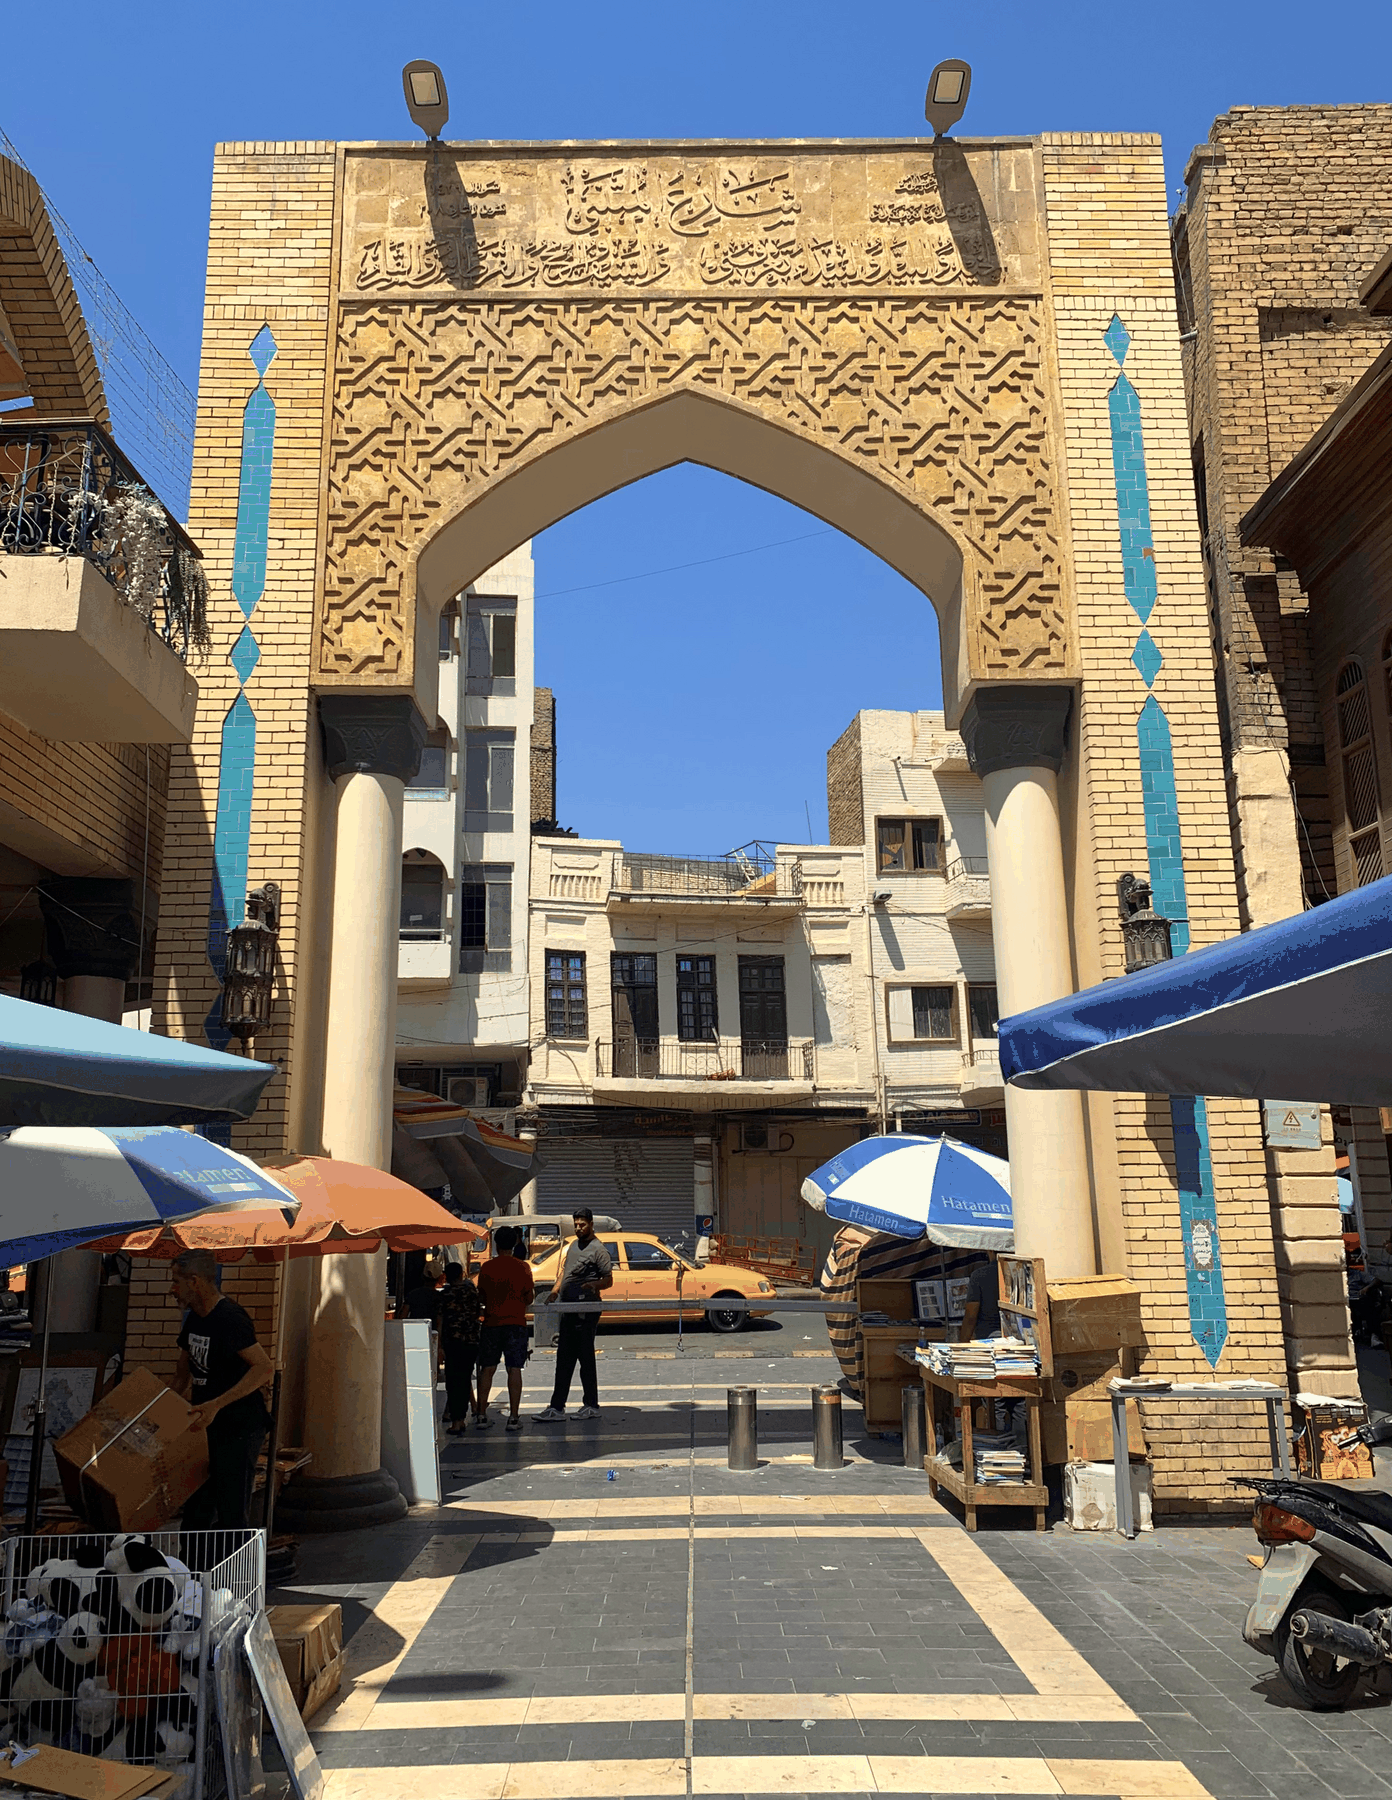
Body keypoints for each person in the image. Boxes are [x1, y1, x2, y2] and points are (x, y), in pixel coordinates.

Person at [170, 1248, 273, 1535]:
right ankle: (192, 1564)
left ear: (194, 1281)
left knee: (231, 1513)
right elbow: (181, 1375)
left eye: (176, 1282)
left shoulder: (230, 1318)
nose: (172, 1290)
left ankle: (234, 1565)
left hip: (239, 1427)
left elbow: (264, 1368)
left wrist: (217, 1404)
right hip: (204, 1429)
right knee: (196, 1511)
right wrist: (158, 1415)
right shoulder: (194, 1319)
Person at [535, 1209, 613, 1422]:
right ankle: (557, 1407)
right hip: (568, 1308)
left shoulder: (598, 1250)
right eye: (576, 1225)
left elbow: (608, 1280)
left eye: (582, 1225)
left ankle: (590, 1405)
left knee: (584, 1357)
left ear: (591, 1224)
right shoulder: (573, 1246)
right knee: (565, 1358)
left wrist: (593, 1285)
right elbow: (565, 1272)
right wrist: (554, 1292)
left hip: (585, 1311)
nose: (578, 1228)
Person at [475, 1227, 534, 1432]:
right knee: (514, 1369)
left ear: (496, 1244)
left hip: (491, 1324)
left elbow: (481, 1296)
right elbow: (529, 1297)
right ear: (515, 1242)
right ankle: (514, 1417)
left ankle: (481, 1415)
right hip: (516, 1324)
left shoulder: (487, 1268)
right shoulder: (522, 1267)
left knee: (487, 1369)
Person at [438, 1260, 482, 1435]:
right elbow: (478, 1312)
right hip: (471, 1341)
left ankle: (457, 1421)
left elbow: (440, 1320)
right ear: (462, 1274)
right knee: (464, 1379)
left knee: (453, 1382)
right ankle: (462, 1418)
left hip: (452, 1342)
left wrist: (439, 1345)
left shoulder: (445, 1295)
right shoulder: (472, 1292)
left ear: (446, 1276)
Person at [959, 1253, 1001, 1341]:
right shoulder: (1016, 1270)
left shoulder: (979, 1276)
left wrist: (962, 1344)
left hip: (987, 1338)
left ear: (990, 1251)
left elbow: (971, 1316)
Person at [403, 1257, 445, 1328]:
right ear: (439, 1278)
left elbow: (402, 1316)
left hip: (413, 1330)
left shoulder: (413, 1294)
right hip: (432, 1331)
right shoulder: (440, 1297)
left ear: (422, 1276)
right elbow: (439, 1320)